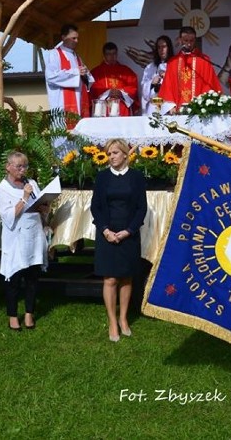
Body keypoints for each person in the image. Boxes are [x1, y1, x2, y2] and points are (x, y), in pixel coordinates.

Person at [91, 138, 148, 342]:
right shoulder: (102, 177)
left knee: (126, 277)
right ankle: (112, 321)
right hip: (107, 233)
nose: (111, 157)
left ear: (125, 154)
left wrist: (129, 231)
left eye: (115, 153)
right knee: (110, 279)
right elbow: (95, 207)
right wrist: (105, 230)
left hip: (129, 234)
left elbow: (142, 207)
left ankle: (123, 318)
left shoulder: (137, 177)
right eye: (109, 153)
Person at [0, 152, 50, 331]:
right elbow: (8, 216)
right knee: (14, 277)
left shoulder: (31, 183)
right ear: (8, 167)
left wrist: (44, 207)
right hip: (16, 238)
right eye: (18, 166)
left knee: (33, 275)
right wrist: (25, 198)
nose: (22, 170)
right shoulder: (2, 188)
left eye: (25, 166)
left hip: (33, 235)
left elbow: (40, 205)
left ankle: (29, 314)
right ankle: (12, 316)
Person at [157, 26, 222, 114]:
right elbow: (168, 86)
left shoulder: (203, 60)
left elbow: (210, 84)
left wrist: (203, 105)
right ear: (180, 40)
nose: (188, 44)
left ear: (195, 40)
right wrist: (170, 105)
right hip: (177, 111)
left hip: (199, 112)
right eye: (185, 40)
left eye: (191, 41)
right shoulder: (173, 62)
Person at [45, 23, 94, 128]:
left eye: (77, 38)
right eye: (73, 38)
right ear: (63, 37)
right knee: (63, 135)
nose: (76, 41)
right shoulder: (54, 54)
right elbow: (51, 76)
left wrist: (86, 74)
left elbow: (89, 80)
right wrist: (76, 72)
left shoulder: (77, 57)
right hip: (62, 103)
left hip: (79, 102)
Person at [89, 42, 139, 117]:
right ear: (104, 55)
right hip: (103, 107)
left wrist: (121, 93)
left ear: (117, 54)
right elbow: (93, 88)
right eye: (109, 54)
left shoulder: (126, 71)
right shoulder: (96, 72)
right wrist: (108, 93)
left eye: (114, 54)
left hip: (122, 106)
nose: (112, 57)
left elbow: (133, 87)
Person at [139, 35, 174, 115]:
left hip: (169, 107)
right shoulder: (150, 67)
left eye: (164, 47)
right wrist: (151, 83)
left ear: (169, 48)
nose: (161, 50)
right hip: (153, 107)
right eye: (159, 47)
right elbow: (143, 89)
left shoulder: (175, 65)